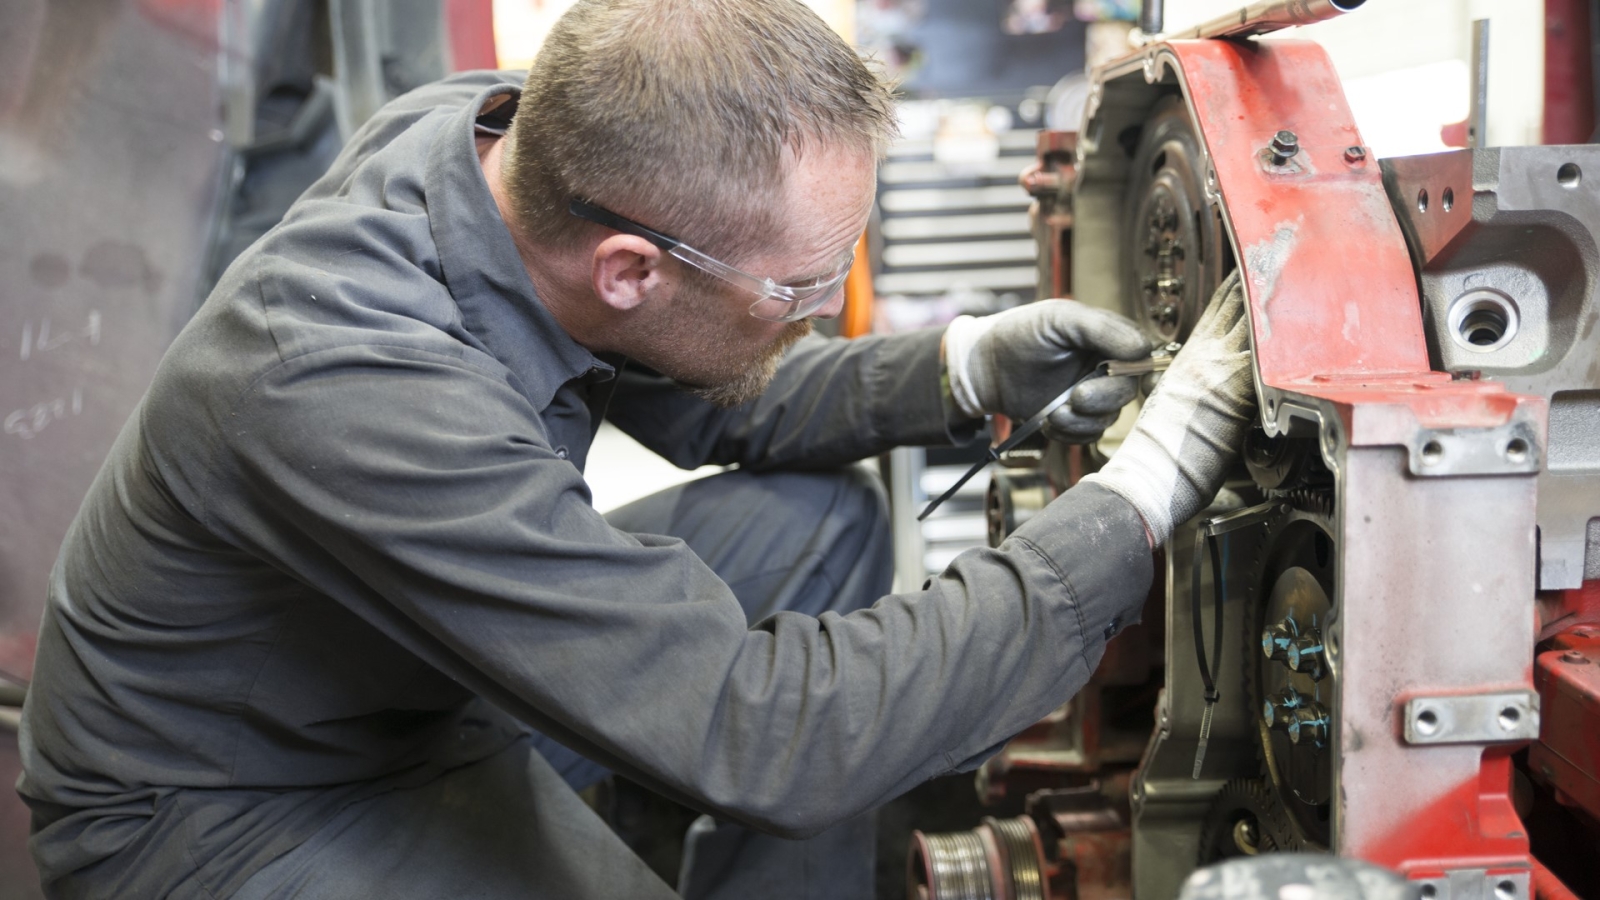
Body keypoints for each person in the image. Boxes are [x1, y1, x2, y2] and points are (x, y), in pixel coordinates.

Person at [15, 1, 1255, 897]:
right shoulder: (347, 380)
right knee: (774, 733)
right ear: (630, 269)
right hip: (235, 805)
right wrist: (1136, 498)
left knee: (813, 528)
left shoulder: (502, 147)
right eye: (805, 285)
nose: (827, 305)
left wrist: (960, 366)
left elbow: (708, 395)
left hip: (399, 669)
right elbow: (765, 729)